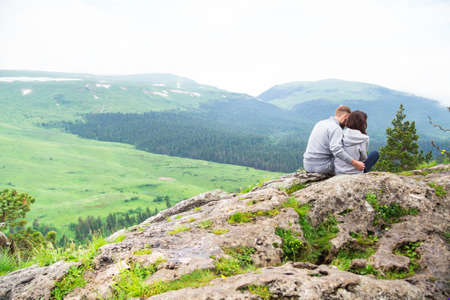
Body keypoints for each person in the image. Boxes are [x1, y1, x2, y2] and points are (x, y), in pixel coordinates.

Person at [303, 105, 365, 174]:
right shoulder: (336, 128)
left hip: (307, 165)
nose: (347, 124)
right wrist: (355, 163)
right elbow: (336, 150)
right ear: (345, 117)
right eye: (348, 120)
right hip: (323, 167)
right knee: (345, 164)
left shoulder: (320, 123)